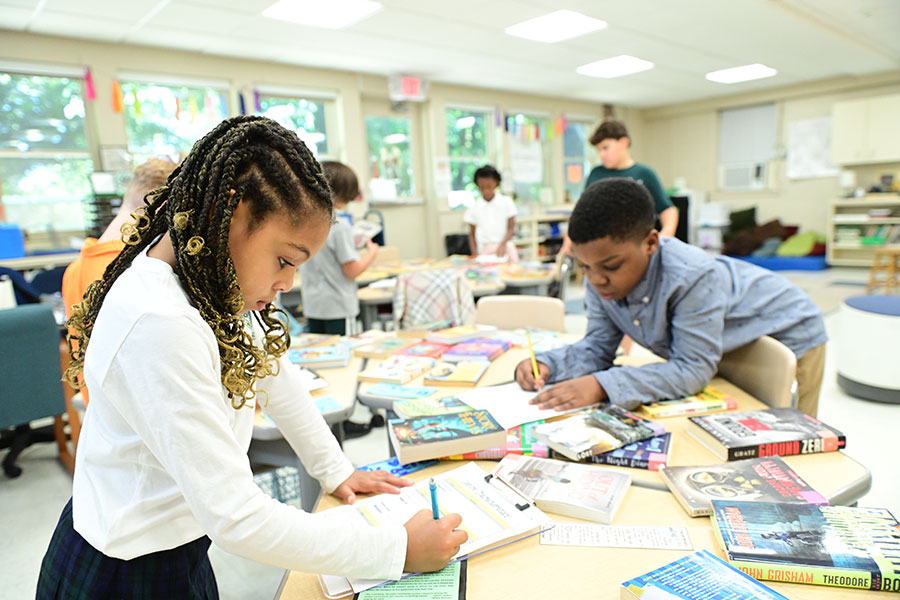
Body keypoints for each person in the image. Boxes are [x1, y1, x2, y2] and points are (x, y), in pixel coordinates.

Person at [38, 116, 466, 599]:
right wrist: (395, 549)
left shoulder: (211, 283)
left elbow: (276, 380)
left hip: (177, 546)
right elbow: (236, 517)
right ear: (228, 215)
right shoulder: (160, 320)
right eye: (284, 261)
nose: (288, 284)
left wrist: (337, 471)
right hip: (124, 567)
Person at [514, 178, 827, 418]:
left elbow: (692, 368)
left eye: (610, 266)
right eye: (585, 267)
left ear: (651, 242)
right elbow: (598, 347)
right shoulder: (603, 278)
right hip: (723, 342)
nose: (596, 280)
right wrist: (547, 364)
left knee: (790, 438)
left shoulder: (691, 275)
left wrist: (601, 385)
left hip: (787, 330)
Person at [61, 157, 177, 406]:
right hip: (138, 424)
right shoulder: (137, 272)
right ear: (163, 208)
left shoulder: (74, 271)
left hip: (103, 421)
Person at [299, 160, 378, 336]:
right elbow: (351, 270)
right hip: (338, 307)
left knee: (321, 353)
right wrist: (371, 254)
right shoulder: (339, 225)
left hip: (313, 305)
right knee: (343, 353)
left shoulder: (306, 221)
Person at [464, 164, 519, 262]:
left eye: (489, 186)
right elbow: (471, 234)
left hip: (504, 248)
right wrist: (474, 254)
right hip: (484, 251)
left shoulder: (506, 202)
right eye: (482, 187)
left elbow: (511, 228)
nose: (486, 191)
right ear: (477, 185)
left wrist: (502, 245)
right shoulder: (474, 207)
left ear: (496, 183)